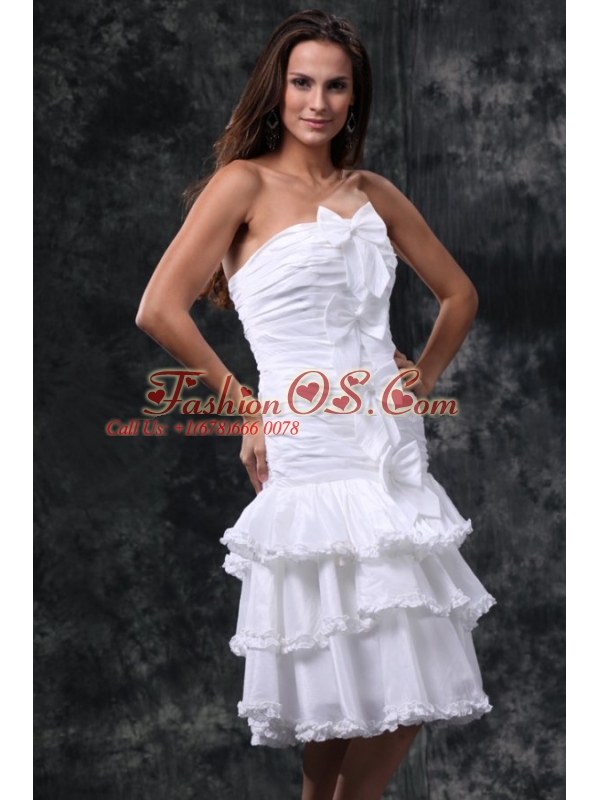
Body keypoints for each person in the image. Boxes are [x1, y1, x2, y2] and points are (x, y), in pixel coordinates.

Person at [136, 9, 496, 800]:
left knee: (395, 653)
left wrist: (419, 377)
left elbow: (459, 295)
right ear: (278, 89)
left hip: (387, 443)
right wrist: (248, 411)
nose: (318, 101)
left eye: (336, 86)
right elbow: (160, 308)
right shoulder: (243, 184)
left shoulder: (373, 192)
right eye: (303, 83)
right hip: (307, 441)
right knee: (334, 656)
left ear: (354, 97)